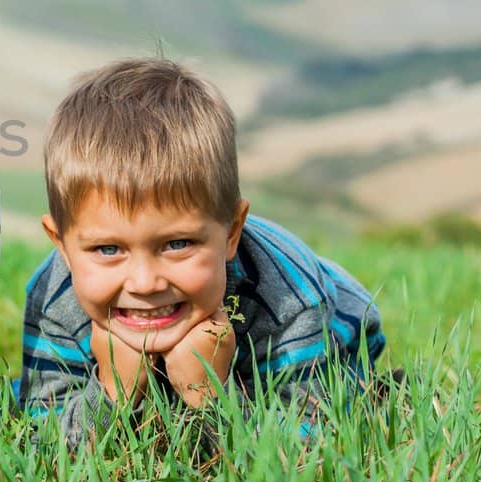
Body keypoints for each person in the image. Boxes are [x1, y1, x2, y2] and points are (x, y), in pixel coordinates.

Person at [20, 57, 384, 445]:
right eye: (108, 249)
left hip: (333, 339)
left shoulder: (291, 303)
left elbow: (311, 438)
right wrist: (113, 392)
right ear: (61, 244)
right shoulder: (53, 297)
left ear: (230, 232)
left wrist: (209, 397)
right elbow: (42, 430)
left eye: (178, 244)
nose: (144, 283)